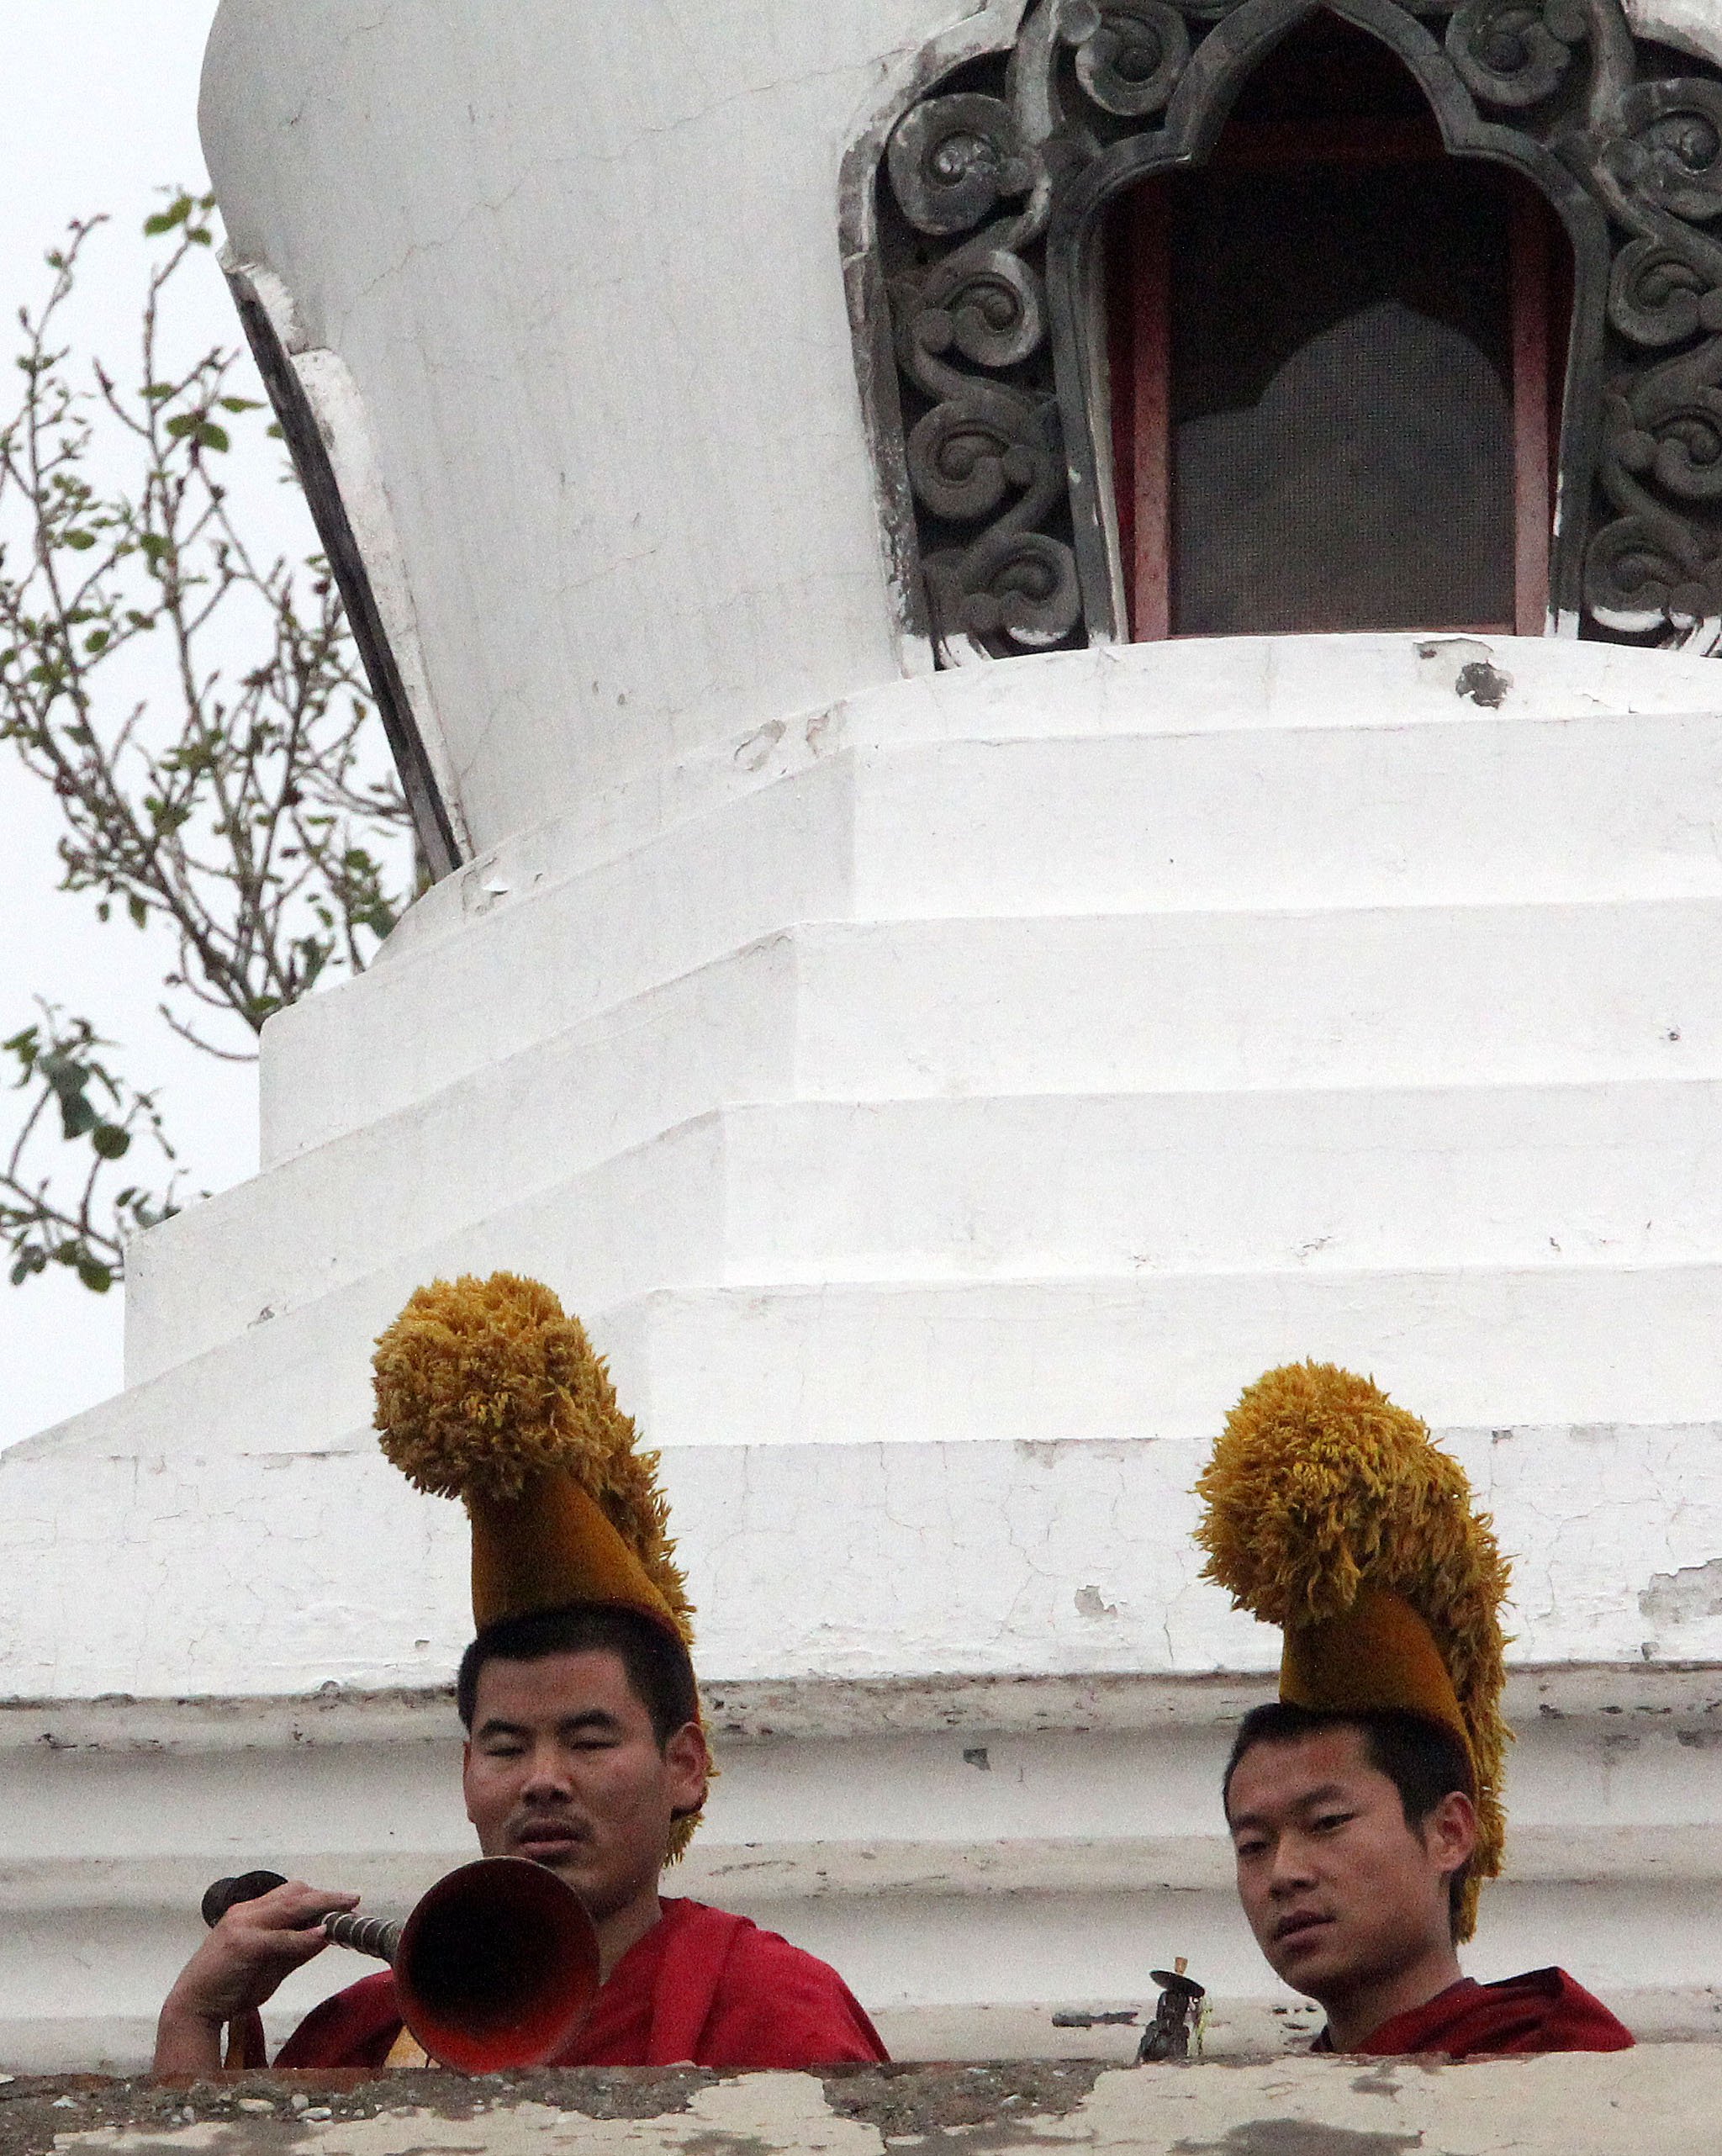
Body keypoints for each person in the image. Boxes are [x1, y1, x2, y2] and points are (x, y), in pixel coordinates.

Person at [154, 1273, 886, 2073]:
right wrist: (194, 2018)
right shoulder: (371, 2031)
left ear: (684, 1767)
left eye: (588, 1739)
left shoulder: (773, 2008)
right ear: (467, 1772)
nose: (543, 1781)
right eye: (506, 1747)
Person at [1194, 1360, 1634, 2060]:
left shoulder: (1558, 2063)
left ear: (1449, 1833)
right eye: (1252, 1845)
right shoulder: (1268, 2109)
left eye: (1327, 1822)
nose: (1284, 1873)